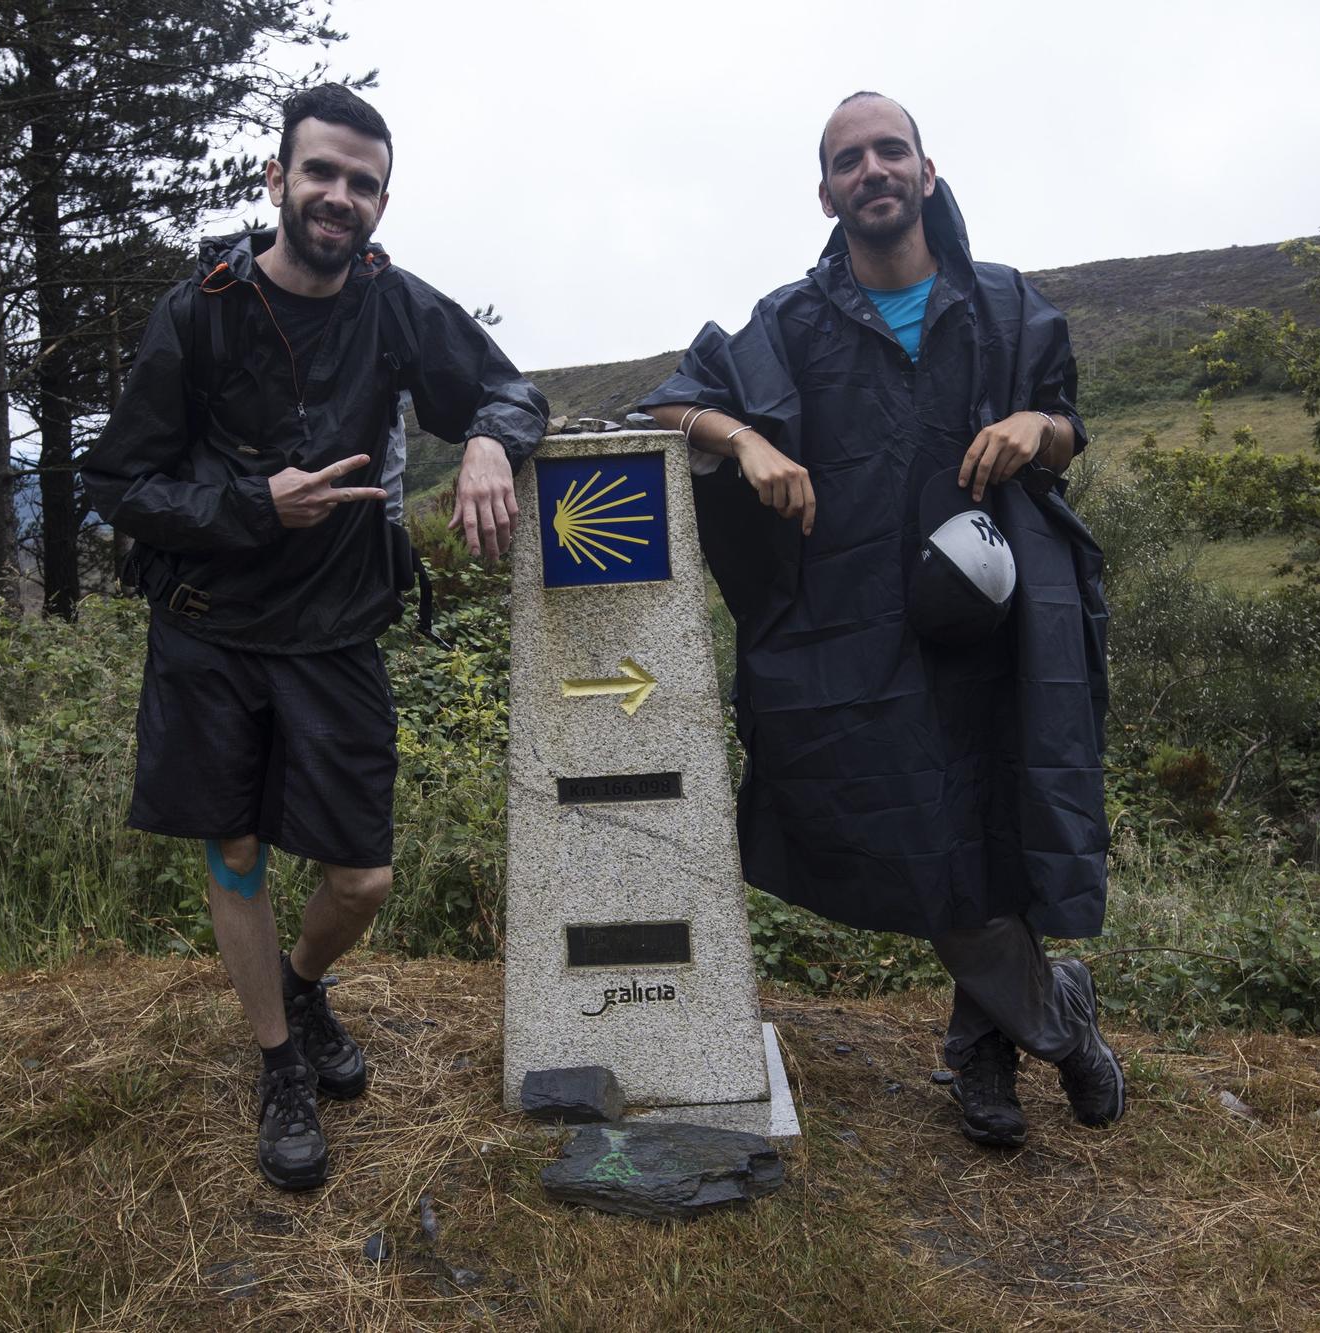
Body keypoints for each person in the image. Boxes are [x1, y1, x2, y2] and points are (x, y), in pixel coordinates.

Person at [81, 84, 547, 1190]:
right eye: (322, 173)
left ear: (381, 203)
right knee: (234, 852)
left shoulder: (393, 305)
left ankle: (298, 981)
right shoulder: (198, 310)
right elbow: (116, 481)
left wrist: (487, 440)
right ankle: (280, 1062)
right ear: (278, 179)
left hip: (338, 630)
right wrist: (254, 505)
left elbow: (508, 387)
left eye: (363, 183)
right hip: (209, 630)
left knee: (363, 877)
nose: (340, 196)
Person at [641, 91, 1123, 1148]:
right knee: (922, 841)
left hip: (998, 624)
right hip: (856, 635)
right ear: (826, 192)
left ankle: (980, 1053)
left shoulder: (1003, 307)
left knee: (992, 830)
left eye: (888, 151)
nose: (871, 170)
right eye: (848, 159)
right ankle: (1057, 1020)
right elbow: (672, 401)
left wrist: (1029, 424)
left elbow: (1068, 428)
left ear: (925, 172)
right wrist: (746, 443)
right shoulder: (787, 325)